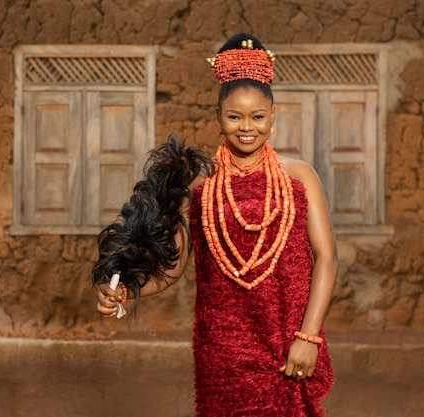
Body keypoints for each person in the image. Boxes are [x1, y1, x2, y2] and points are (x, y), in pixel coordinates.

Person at [92, 33, 337, 417]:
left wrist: (308, 337)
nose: (247, 127)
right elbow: (173, 270)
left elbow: (326, 258)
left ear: (273, 117)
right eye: (234, 116)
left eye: (257, 116)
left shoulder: (300, 177)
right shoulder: (199, 186)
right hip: (223, 347)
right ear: (219, 117)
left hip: (289, 337)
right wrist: (125, 291)